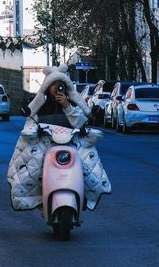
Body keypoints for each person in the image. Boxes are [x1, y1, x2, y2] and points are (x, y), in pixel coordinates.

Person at [7, 65, 111, 211]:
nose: (57, 88)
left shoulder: (73, 104)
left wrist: (67, 106)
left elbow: (81, 123)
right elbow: (29, 125)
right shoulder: (39, 106)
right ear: (47, 86)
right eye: (54, 85)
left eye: (60, 85)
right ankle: (34, 197)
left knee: (87, 164)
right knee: (32, 166)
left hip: (70, 144)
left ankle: (86, 195)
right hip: (45, 145)